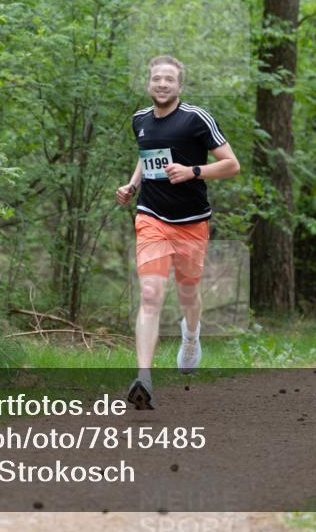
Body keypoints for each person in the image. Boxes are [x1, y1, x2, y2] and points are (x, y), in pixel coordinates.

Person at [115, 55, 240, 409]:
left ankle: (190, 337)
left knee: (188, 294)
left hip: (192, 222)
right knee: (151, 294)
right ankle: (144, 377)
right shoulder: (139, 119)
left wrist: (193, 171)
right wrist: (131, 185)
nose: (162, 84)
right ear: (148, 83)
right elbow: (145, 155)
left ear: (179, 86)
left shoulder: (196, 119)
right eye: (156, 78)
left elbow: (232, 165)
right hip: (151, 217)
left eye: (169, 79)